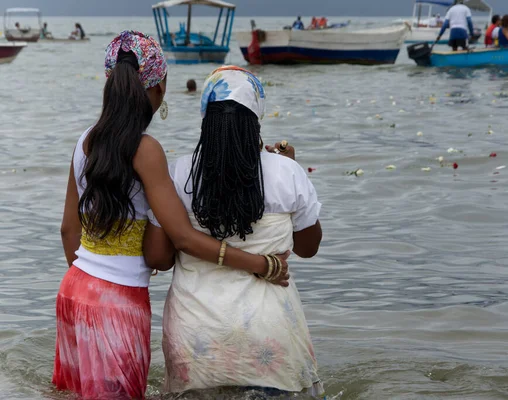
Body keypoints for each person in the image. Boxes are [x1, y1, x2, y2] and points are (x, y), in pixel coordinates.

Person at [53, 31, 289, 400]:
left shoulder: (85, 141)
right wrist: (261, 263)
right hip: (118, 302)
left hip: (73, 290)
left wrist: (88, 286)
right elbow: (177, 240)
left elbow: (69, 229)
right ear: (160, 87)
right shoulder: (146, 150)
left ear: (109, 83)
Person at [143, 66, 324, 397]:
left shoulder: (180, 173)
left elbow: (157, 257)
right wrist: (292, 167)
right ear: (257, 116)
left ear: (205, 118)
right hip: (270, 334)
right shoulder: (287, 173)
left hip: (195, 335)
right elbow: (308, 247)